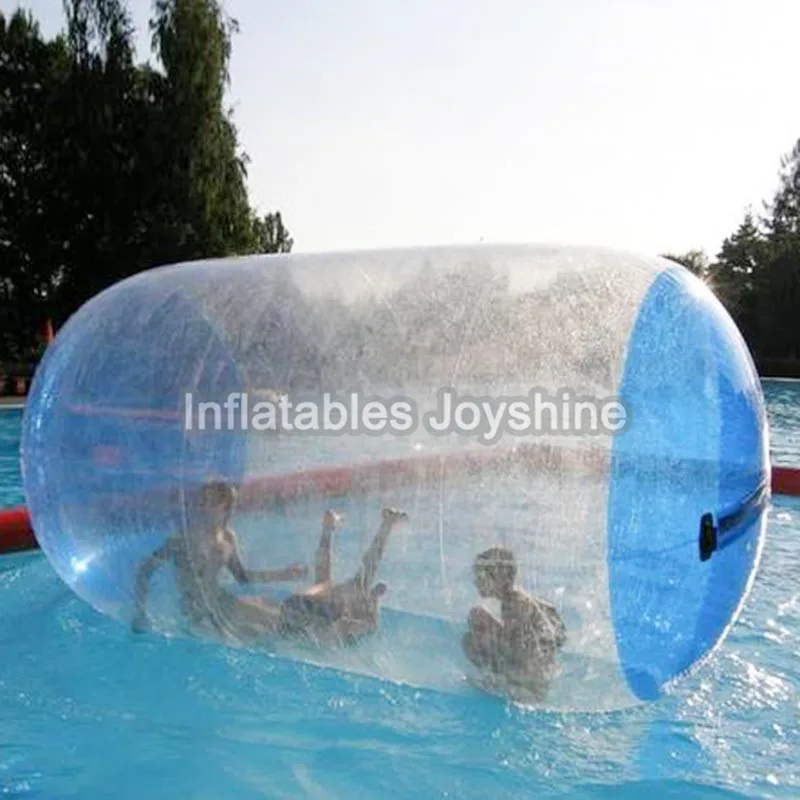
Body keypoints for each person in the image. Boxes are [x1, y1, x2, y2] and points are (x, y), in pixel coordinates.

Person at [131, 481, 308, 636]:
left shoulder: (228, 538)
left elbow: (243, 577)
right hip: (197, 609)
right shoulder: (184, 539)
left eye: (212, 502)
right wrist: (140, 613)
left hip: (221, 602)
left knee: (279, 621)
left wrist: (284, 574)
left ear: (225, 507)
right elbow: (144, 570)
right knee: (246, 637)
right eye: (203, 502)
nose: (204, 507)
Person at [276, 506, 408, 645]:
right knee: (350, 583)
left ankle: (331, 526)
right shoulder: (343, 614)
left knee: (330, 583)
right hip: (303, 614)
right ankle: (333, 526)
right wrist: (373, 604)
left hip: (292, 610)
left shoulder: (328, 600)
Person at [462, 547, 566, 699]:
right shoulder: (517, 599)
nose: (476, 582)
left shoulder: (514, 604)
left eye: (480, 576)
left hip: (529, 683)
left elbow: (511, 645)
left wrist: (484, 633)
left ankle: (504, 681)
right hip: (535, 675)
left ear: (499, 579)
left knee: (472, 633)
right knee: (476, 624)